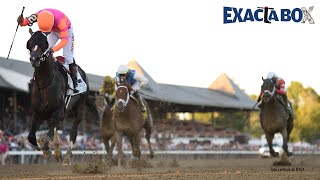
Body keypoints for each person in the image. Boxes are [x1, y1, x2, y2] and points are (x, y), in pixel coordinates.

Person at [17, 8, 80, 93]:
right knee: (43, 50)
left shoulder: (61, 21)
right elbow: (24, 22)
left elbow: (64, 41)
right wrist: (20, 21)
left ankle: (75, 81)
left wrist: (53, 50)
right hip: (53, 31)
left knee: (68, 56)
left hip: (66, 31)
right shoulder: (38, 15)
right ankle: (37, 75)